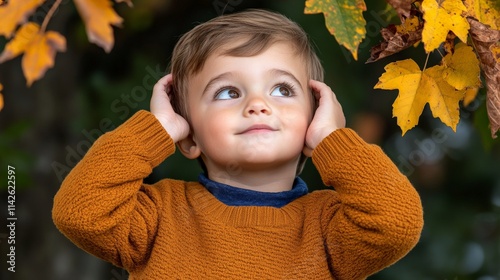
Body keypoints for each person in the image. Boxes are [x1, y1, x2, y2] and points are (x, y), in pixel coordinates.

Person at [52, 9, 423, 279]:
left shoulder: (329, 227)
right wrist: (156, 129)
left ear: (315, 116)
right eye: (228, 92)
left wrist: (332, 142)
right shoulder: (160, 215)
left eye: (282, 89)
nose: (257, 104)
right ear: (189, 134)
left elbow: (396, 224)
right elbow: (81, 213)